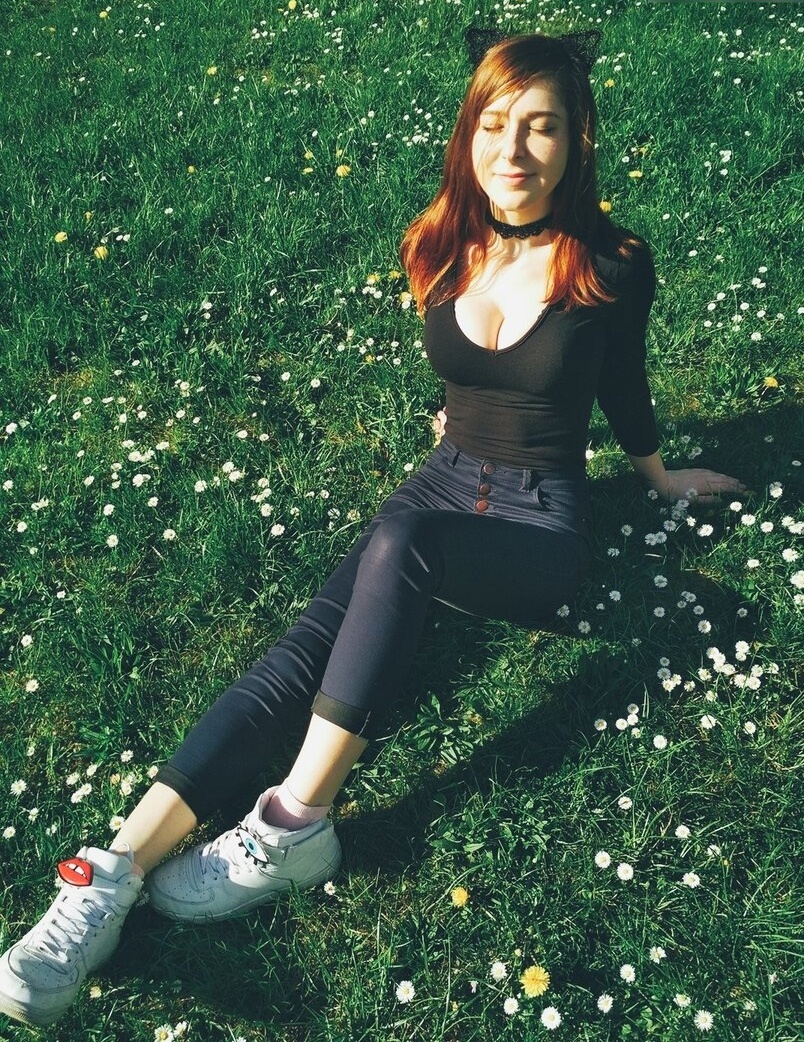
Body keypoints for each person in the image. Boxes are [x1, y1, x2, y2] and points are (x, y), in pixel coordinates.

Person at [0, 29, 744, 1028]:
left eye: (541, 127)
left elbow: (624, 382)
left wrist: (658, 477)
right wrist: (458, 419)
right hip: (443, 483)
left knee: (402, 547)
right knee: (294, 657)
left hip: (542, 524)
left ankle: (295, 824)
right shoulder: (442, 242)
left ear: (578, 139)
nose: (513, 150)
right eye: (494, 124)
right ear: (467, 133)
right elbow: (472, 375)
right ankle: (112, 872)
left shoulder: (611, 261)